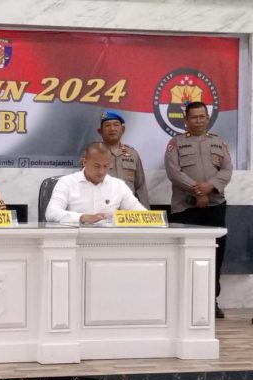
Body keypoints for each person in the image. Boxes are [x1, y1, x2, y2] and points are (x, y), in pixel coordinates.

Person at [164, 101, 232, 318]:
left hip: (215, 206)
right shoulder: (176, 143)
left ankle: (211, 300)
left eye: (202, 116)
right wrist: (198, 191)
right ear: (186, 120)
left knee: (215, 254)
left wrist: (210, 187)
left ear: (207, 118)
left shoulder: (219, 142)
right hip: (185, 207)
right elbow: (174, 173)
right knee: (184, 255)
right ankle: (182, 302)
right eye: (194, 117)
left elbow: (226, 170)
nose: (199, 120)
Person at [45, 141, 146, 224]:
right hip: (76, 238)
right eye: (97, 166)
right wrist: (82, 217)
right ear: (85, 162)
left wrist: (119, 218)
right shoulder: (66, 183)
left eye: (106, 166)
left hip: (109, 239)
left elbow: (142, 214)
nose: (101, 171)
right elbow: (51, 213)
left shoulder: (118, 186)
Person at [97, 110, 150, 208]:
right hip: (103, 209)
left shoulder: (133, 154)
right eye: (107, 125)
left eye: (116, 125)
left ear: (123, 129)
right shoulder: (93, 154)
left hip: (129, 210)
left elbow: (140, 187)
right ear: (100, 131)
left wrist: (145, 212)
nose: (112, 129)